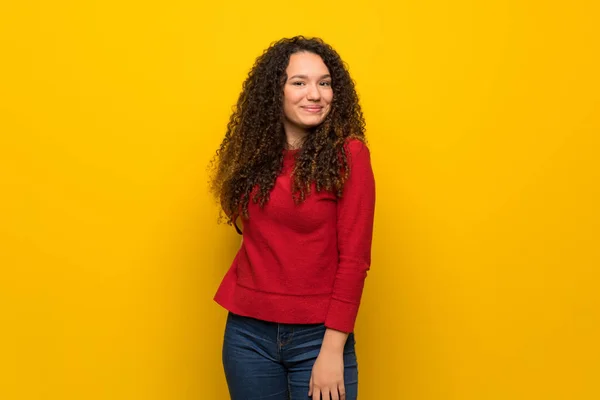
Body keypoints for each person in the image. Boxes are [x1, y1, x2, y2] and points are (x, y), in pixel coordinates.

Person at [208, 35, 376, 400]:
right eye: (299, 82)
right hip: (247, 335)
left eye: (325, 83)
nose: (315, 94)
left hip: (319, 337)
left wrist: (332, 350)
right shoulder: (252, 157)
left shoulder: (349, 155)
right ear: (274, 92)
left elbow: (355, 260)